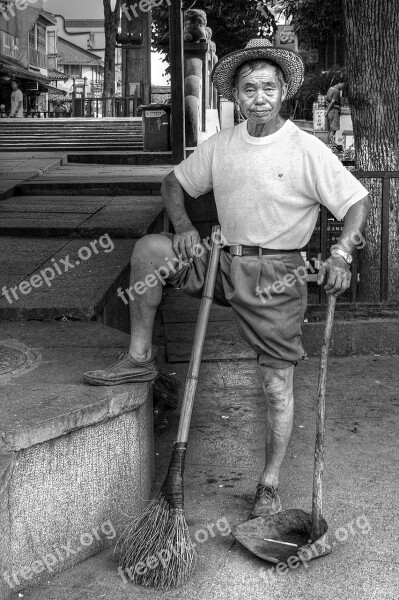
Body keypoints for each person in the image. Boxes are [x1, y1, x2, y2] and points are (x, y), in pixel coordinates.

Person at [83, 39, 371, 518]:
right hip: (220, 259)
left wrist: (341, 253)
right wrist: (183, 228)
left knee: (276, 383)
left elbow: (356, 202)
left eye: (268, 88)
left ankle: (270, 483)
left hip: (277, 272)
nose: (259, 97)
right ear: (236, 96)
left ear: (283, 94)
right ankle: (138, 358)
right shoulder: (223, 145)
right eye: (249, 89)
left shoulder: (306, 149)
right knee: (151, 251)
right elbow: (173, 183)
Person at [325, 80, 345, 144]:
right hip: (334, 111)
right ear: (339, 83)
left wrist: (327, 111)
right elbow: (333, 102)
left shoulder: (330, 89)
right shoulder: (336, 91)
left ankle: (330, 145)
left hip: (330, 111)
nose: (343, 87)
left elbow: (327, 100)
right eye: (343, 85)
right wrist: (327, 111)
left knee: (330, 130)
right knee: (333, 130)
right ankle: (332, 145)